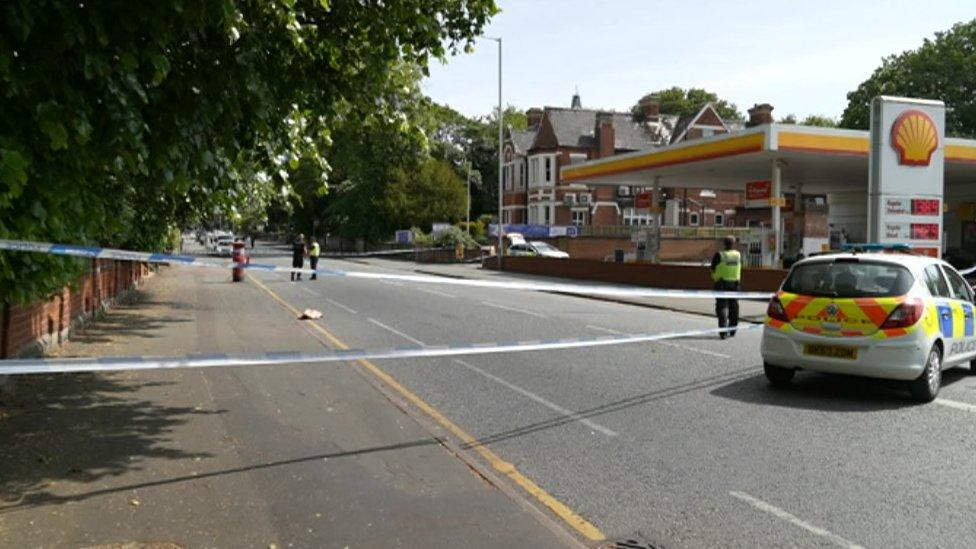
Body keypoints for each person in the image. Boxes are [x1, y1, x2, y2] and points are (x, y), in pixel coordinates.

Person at [711, 235, 742, 340]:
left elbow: (712, 269)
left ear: (724, 244)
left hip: (721, 284)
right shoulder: (738, 255)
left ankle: (723, 331)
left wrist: (715, 278)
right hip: (735, 284)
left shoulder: (719, 255)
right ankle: (733, 330)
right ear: (733, 244)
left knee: (722, 307)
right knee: (734, 307)